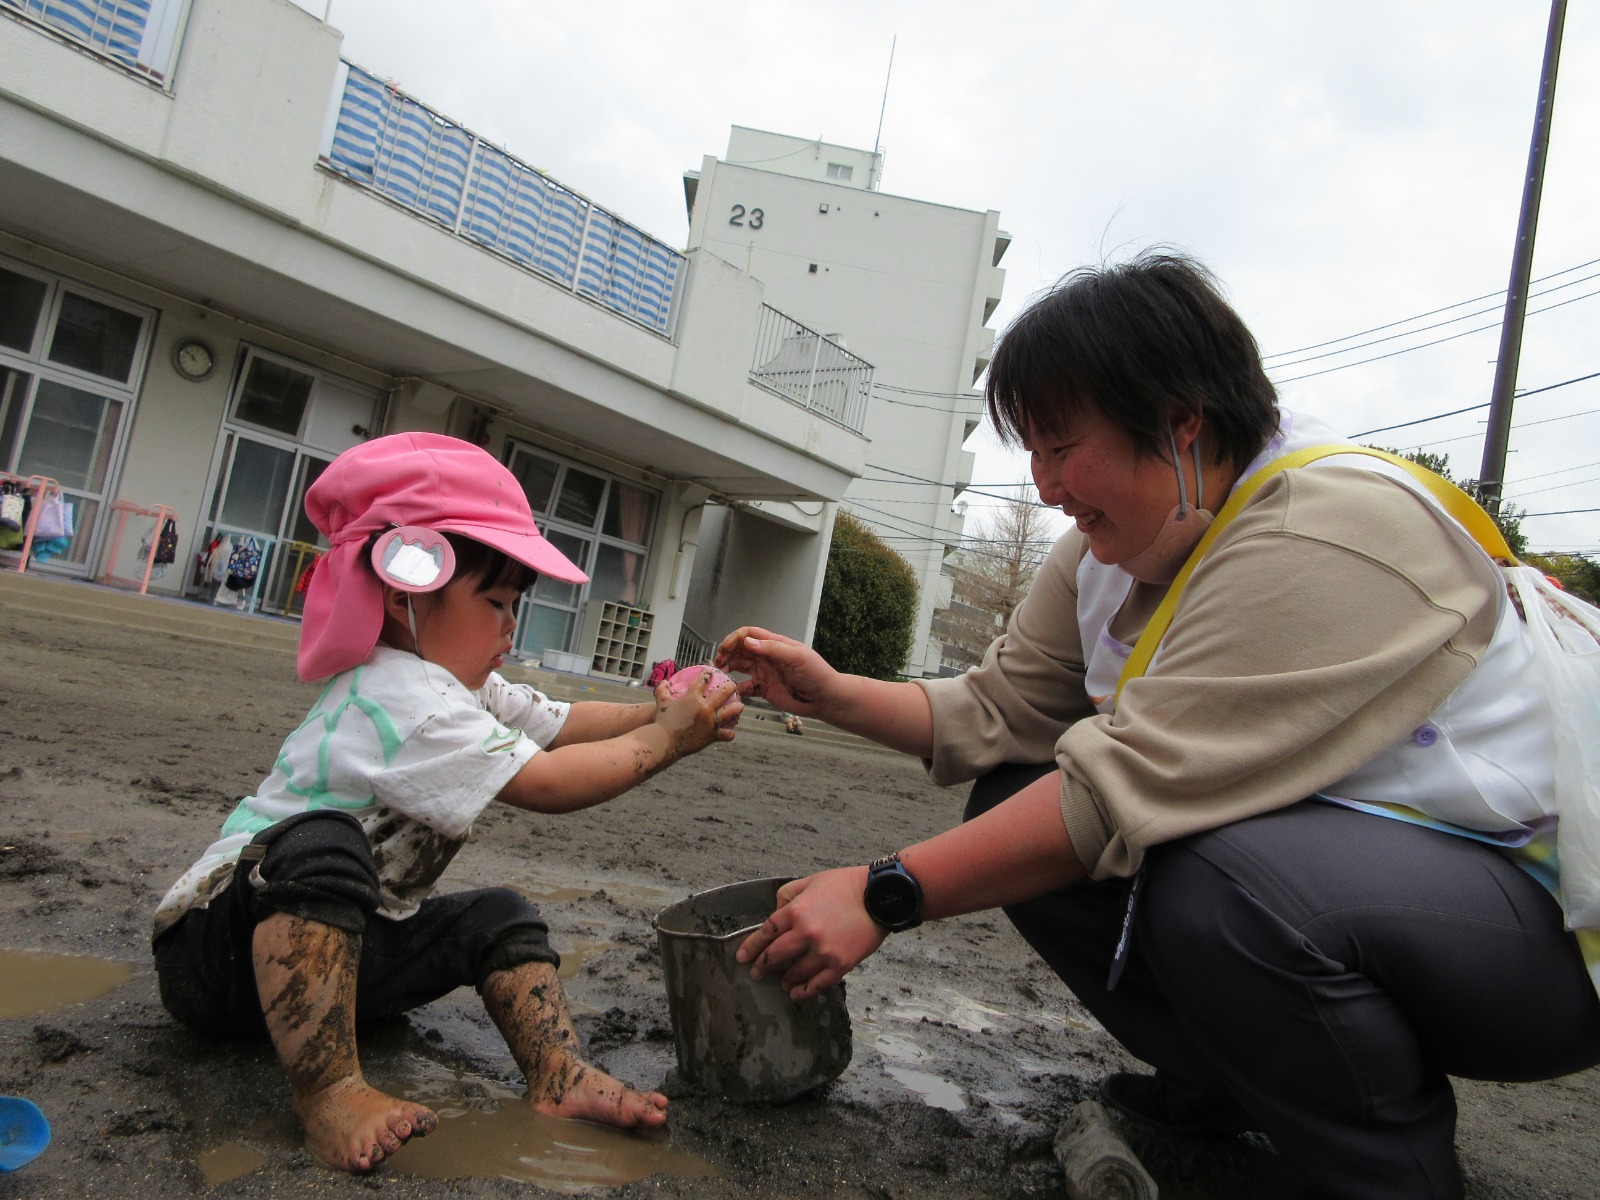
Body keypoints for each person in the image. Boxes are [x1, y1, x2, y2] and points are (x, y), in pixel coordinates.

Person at [719, 251, 1600, 1199]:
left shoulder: (1323, 528)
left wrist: (884, 892)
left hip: (1543, 931)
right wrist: (828, 690)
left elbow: (1117, 789)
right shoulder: (1117, 541)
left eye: (1063, 447)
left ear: (1182, 422)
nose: (1046, 484)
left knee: (1225, 885)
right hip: (1376, 881)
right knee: (1014, 799)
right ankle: (1230, 1087)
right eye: (1035, 453)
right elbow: (1001, 710)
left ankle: (1386, 1176)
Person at [152, 433, 741, 1173]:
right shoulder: (404, 694)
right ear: (405, 588)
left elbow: (559, 725)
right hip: (216, 954)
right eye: (494, 600)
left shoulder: (455, 684)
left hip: (347, 956)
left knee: (500, 915)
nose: (510, 624)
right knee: (320, 846)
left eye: (516, 604)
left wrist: (658, 712)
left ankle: (557, 1071)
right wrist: (669, 742)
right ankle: (331, 1093)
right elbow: (549, 784)